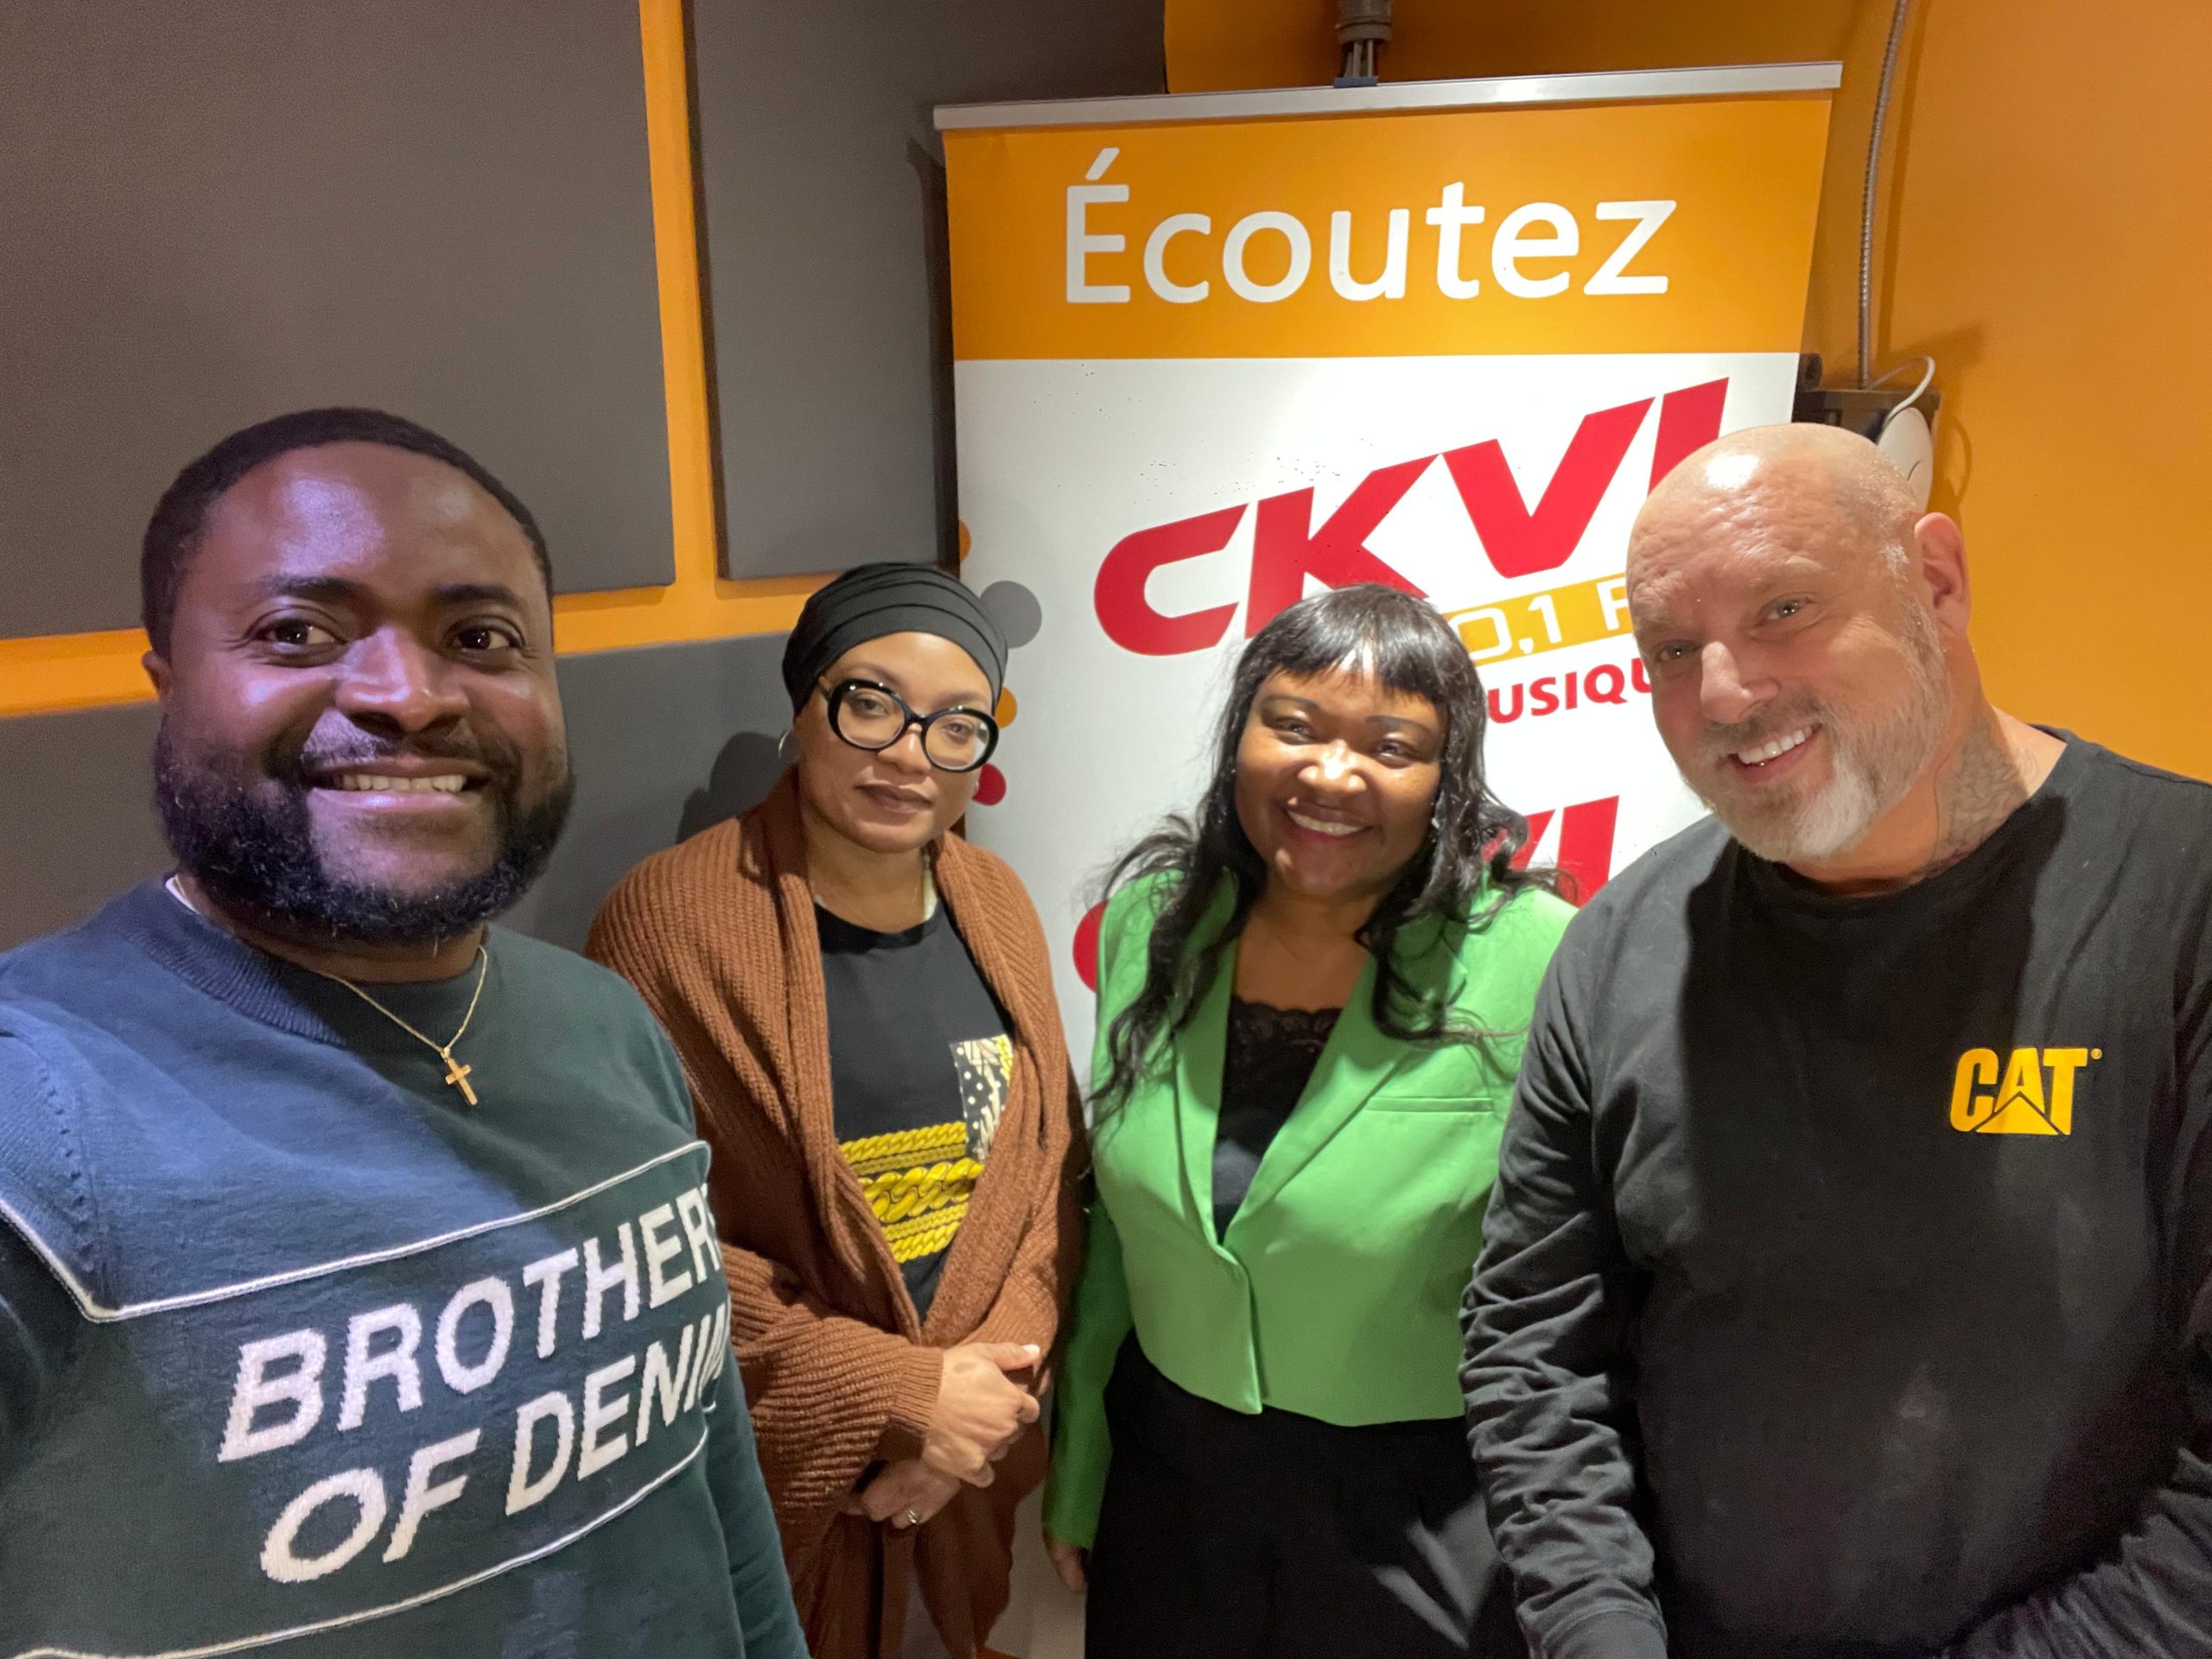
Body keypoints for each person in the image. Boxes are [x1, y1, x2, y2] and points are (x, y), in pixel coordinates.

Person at [0, 408, 805, 1658]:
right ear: (167, 685)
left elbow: (709, 1486)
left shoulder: (606, 1024)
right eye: (298, 632)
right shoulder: (38, 1119)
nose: (409, 698)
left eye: (480, 638)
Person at [1462, 423, 2212, 1658]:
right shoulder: (1619, 946)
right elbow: (1535, 1346)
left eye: (1784, 609)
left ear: (1937, 580)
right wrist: (1598, 1632)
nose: (1725, 693)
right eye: (1672, 651)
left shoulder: (2180, 905)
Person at [1042, 584, 1573, 1658]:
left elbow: (1577, 1285)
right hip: (1168, 1495)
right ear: (1238, 738)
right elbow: (1115, 1236)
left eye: (1390, 745)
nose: (1330, 774)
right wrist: (1081, 1465)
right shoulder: (1154, 921)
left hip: (1421, 1515)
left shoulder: (1539, 955)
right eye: (1291, 725)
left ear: (1447, 782)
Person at [588, 562, 1086, 1659]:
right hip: (785, 1501)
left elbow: (1045, 1174)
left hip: (975, 1469)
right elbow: (634, 1240)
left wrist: (974, 1411)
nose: (909, 754)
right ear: (804, 706)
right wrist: (899, 1397)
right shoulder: (670, 922)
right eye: (871, 704)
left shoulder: (996, 903)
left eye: (956, 727)